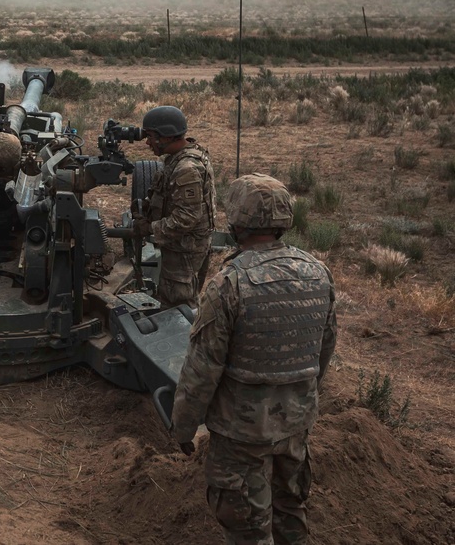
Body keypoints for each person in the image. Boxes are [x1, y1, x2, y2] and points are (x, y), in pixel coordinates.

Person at [171, 173, 337, 545]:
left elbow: (201, 370)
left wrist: (183, 427)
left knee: (248, 528)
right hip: (295, 425)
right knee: (292, 515)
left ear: (236, 223)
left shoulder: (228, 284)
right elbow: (324, 350)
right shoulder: (318, 273)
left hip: (240, 434)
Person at [132, 105, 216, 309]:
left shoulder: (186, 168)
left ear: (166, 136)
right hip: (182, 247)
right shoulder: (179, 158)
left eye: (151, 136)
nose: (147, 142)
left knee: (178, 306)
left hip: (185, 251)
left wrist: (150, 229)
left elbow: (186, 218)